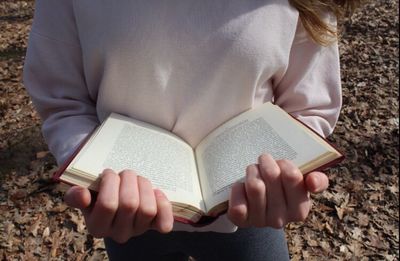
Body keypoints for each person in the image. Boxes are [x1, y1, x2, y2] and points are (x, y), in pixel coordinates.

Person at [23, 0, 361, 260]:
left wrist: (285, 171)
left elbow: (310, 105)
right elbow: (62, 99)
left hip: (246, 209)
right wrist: (93, 172)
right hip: (128, 211)